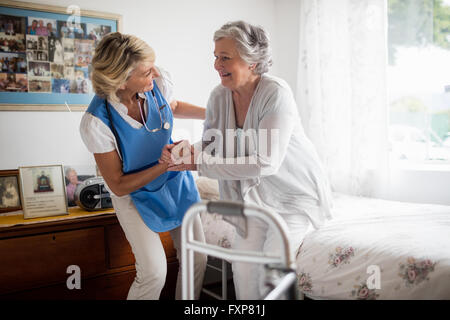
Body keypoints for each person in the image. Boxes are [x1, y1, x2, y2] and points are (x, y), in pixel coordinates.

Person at [161, 21, 333, 299]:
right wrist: (181, 152)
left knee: (271, 275)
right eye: (216, 56)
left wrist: (199, 163)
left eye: (225, 57)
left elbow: (266, 162)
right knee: (242, 273)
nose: (217, 64)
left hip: (291, 198)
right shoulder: (219, 96)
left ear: (252, 61)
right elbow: (209, 143)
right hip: (249, 199)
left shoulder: (276, 93)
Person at [79, 32, 207, 300]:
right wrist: (165, 164)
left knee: (196, 258)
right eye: (147, 72)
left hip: (174, 181)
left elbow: (171, 105)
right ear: (121, 81)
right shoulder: (97, 123)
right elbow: (118, 184)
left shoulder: (154, 82)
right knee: (154, 272)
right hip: (133, 192)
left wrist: (213, 114)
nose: (155, 74)